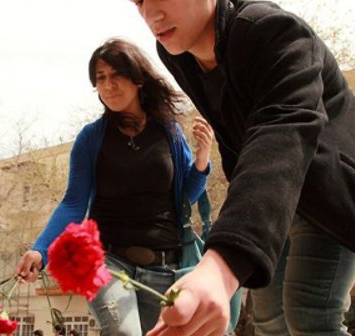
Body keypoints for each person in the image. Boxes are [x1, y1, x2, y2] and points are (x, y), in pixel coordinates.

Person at [129, 0, 355, 335]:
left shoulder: (271, 29)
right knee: (269, 321)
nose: (150, 15)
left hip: (334, 194)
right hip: (272, 205)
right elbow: (237, 140)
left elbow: (283, 130)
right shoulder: (176, 53)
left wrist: (222, 265)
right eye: (137, 1)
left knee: (310, 313)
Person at [15, 38, 213, 336]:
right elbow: (73, 202)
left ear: (138, 79)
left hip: (164, 266)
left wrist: (202, 161)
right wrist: (40, 249)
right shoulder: (90, 138)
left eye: (116, 75)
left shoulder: (169, 131)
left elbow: (184, 198)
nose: (108, 85)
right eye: (100, 78)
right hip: (107, 261)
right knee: (124, 333)